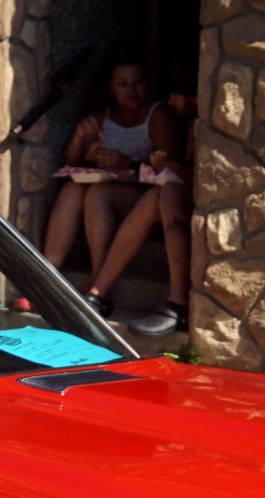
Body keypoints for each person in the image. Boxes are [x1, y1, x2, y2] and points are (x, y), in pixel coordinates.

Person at [37, 57, 182, 317]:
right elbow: (71, 160)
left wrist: (126, 163)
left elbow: (169, 169)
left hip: (144, 194)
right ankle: (47, 274)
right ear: (111, 87)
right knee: (72, 189)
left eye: (138, 82)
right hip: (110, 189)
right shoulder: (103, 115)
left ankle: (98, 284)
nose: (132, 90)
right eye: (123, 84)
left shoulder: (157, 115)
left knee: (97, 193)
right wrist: (79, 138)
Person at [89, 91, 196, 337]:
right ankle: (98, 292)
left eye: (177, 96)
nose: (170, 102)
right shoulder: (189, 122)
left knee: (166, 194)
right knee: (154, 196)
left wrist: (136, 165)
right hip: (163, 193)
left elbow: (201, 175)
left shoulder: (204, 125)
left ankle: (178, 303)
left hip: (190, 203)